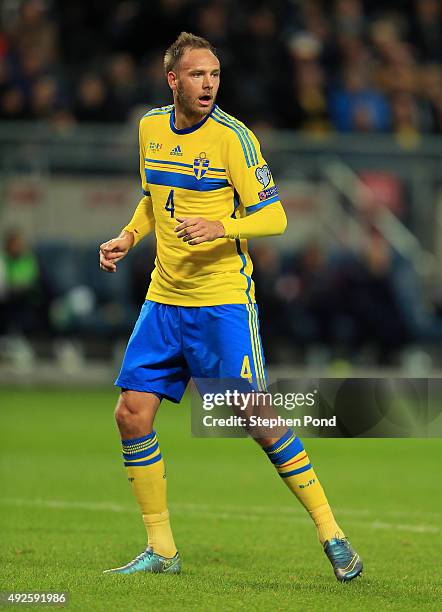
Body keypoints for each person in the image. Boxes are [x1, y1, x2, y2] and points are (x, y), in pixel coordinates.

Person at [99, 32, 362, 582]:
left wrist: (224, 225)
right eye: (197, 75)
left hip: (221, 302)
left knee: (255, 419)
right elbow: (154, 198)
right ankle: (162, 550)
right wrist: (128, 235)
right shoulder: (150, 128)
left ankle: (331, 531)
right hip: (164, 298)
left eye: (214, 74)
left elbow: (276, 217)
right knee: (131, 413)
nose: (209, 84)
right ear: (173, 80)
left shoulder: (234, 140)